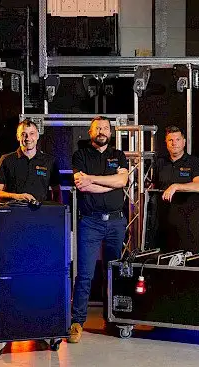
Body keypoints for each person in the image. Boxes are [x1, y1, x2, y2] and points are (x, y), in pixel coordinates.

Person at [68, 116, 129, 344]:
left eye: (105, 128)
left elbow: (122, 182)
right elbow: (81, 185)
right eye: (97, 128)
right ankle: (77, 322)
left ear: (110, 132)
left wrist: (95, 181)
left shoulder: (119, 155)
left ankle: (112, 319)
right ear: (90, 131)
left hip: (116, 222)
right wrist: (110, 183)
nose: (101, 131)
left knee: (113, 273)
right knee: (84, 274)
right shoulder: (80, 155)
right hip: (90, 222)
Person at [0, 119, 60, 202]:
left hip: (41, 213)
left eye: (32, 133)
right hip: (14, 212)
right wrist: (17, 196)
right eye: (23, 134)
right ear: (18, 137)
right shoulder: (6, 160)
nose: (28, 138)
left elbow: (57, 192)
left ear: (37, 136)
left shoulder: (49, 161)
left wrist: (58, 212)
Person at [153, 126, 199, 201]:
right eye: (170, 140)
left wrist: (176, 186)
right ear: (166, 143)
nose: (174, 143)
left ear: (184, 142)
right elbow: (152, 187)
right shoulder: (159, 162)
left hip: (188, 210)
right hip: (163, 209)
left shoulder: (194, 162)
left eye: (178, 140)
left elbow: (198, 186)